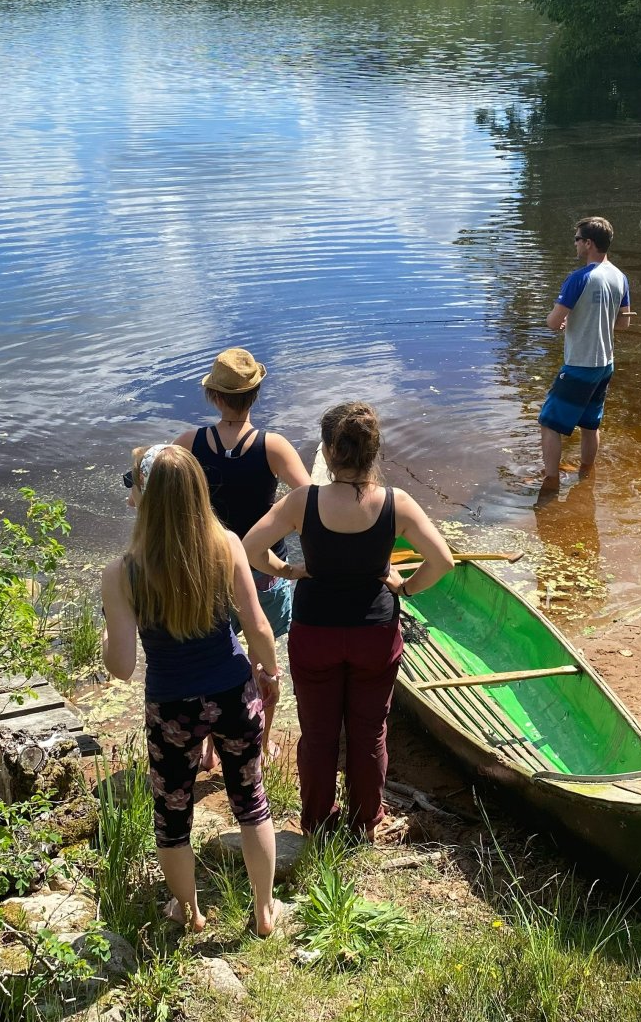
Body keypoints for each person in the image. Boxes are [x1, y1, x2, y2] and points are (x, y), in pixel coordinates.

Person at [244, 401, 454, 839]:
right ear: (375, 451)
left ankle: (318, 823)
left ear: (327, 450)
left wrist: (288, 571)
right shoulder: (398, 503)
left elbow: (249, 547)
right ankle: (365, 821)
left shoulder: (304, 501)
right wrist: (404, 586)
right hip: (374, 634)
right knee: (369, 732)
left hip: (315, 633)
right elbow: (442, 562)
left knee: (318, 735)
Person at [102, 442, 281, 935]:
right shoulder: (226, 544)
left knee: (173, 813)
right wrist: (270, 674)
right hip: (232, 691)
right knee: (251, 801)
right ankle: (265, 911)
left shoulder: (122, 572)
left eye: (133, 483)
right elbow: (259, 627)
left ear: (144, 496)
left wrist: (106, 634)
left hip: (171, 707)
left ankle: (190, 912)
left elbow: (120, 666)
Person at [174, 347, 309, 759]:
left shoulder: (189, 442)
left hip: (208, 575)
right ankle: (261, 745)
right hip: (263, 572)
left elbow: (151, 483)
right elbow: (309, 503)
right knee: (263, 663)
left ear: (214, 396)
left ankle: (211, 749)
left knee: (213, 661)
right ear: (256, 395)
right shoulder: (274, 447)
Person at [539, 217, 633, 494]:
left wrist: (563, 321)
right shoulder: (620, 277)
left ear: (588, 243)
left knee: (548, 422)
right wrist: (588, 320)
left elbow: (554, 323)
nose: (576, 244)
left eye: (578, 239)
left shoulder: (578, 278)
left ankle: (551, 482)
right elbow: (623, 323)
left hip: (580, 364)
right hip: (605, 364)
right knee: (590, 424)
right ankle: (585, 475)